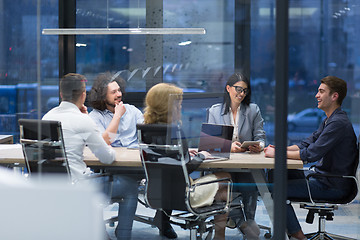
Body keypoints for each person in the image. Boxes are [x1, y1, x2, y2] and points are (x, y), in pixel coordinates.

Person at [42, 73, 138, 240]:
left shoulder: (47, 117)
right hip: (79, 186)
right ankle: (122, 236)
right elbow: (107, 158)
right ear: (83, 94)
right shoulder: (84, 121)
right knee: (130, 187)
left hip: (51, 187)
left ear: (61, 94)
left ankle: (99, 233)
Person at [264, 76, 358, 240]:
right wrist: (279, 149)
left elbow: (311, 154)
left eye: (321, 91)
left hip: (332, 185)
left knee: (276, 189)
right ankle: (288, 231)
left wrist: (278, 155)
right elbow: (306, 144)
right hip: (323, 178)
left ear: (334, 96)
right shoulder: (329, 120)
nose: (316, 95)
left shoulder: (338, 123)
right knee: (277, 173)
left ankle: (298, 236)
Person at [144, 83, 232, 240]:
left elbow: (167, 162)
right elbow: (184, 169)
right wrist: (201, 156)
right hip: (183, 195)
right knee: (225, 176)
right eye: (178, 104)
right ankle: (220, 235)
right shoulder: (175, 132)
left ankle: (163, 218)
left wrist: (184, 153)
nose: (180, 108)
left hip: (157, 194)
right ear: (168, 106)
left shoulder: (146, 130)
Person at [207, 72, 266, 240]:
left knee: (249, 183)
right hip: (223, 164)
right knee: (223, 188)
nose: (241, 94)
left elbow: (261, 137)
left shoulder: (253, 110)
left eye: (244, 91)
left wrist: (258, 146)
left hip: (247, 163)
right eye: (238, 89)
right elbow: (210, 143)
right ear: (228, 88)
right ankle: (243, 224)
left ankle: (249, 221)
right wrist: (228, 146)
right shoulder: (215, 111)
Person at [88, 72, 144, 148]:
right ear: (103, 97)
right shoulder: (95, 116)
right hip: (113, 157)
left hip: (135, 154)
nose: (119, 94)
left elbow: (147, 133)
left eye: (119, 90)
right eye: (113, 92)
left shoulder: (132, 111)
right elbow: (104, 142)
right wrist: (117, 116)